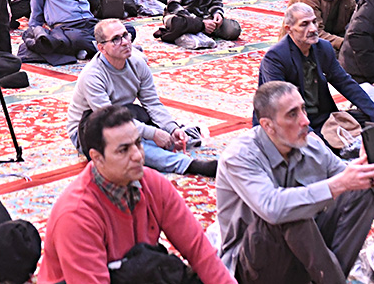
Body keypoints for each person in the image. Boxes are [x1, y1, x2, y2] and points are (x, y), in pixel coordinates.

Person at [216, 81, 374, 283]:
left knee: (362, 190)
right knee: (292, 210)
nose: (305, 121)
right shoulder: (241, 155)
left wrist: (371, 173)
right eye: (292, 114)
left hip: (307, 251)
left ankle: (331, 278)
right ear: (267, 125)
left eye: (303, 109)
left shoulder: (312, 146)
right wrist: (338, 184)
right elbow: (272, 208)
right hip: (253, 263)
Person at [40, 104, 232, 284]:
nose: (138, 155)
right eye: (123, 150)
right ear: (97, 158)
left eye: (138, 144)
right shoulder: (76, 215)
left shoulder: (153, 184)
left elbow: (199, 251)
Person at [68, 18, 218, 177]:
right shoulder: (92, 76)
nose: (125, 42)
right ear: (101, 48)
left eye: (125, 35)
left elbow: (152, 103)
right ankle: (188, 165)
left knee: (158, 130)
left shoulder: (137, 63)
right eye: (116, 39)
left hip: (121, 113)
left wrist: (171, 128)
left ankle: (174, 135)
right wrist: (153, 133)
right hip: (89, 128)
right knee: (126, 146)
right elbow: (109, 119)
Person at [260, 3, 374, 133]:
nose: (313, 29)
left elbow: (344, 82)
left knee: (370, 120)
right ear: (289, 29)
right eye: (304, 24)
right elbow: (281, 104)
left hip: (322, 117)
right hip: (289, 122)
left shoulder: (323, 47)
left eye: (314, 22)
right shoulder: (275, 58)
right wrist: (309, 133)